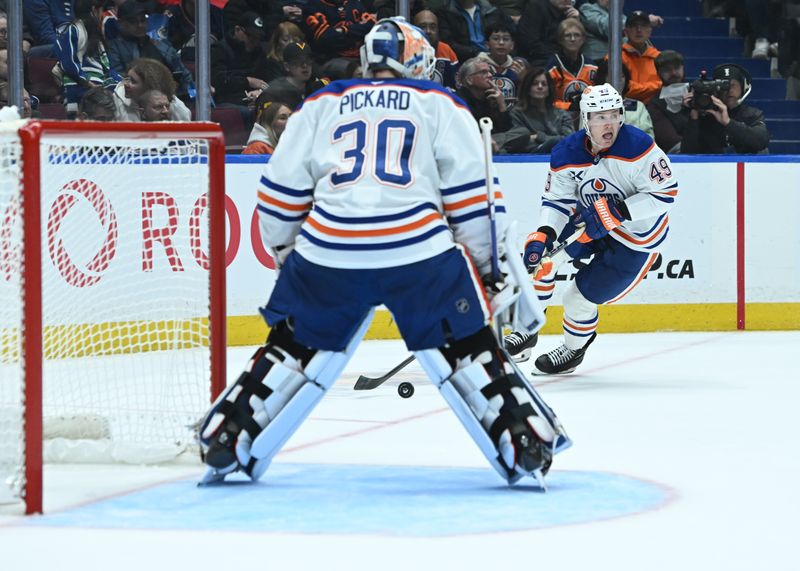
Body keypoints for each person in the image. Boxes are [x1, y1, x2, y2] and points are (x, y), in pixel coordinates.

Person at [197, 17, 568, 489]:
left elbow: (277, 197)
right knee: (470, 346)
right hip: (419, 253)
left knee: (290, 347)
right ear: (416, 61)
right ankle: (523, 436)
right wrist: (489, 271)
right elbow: (474, 204)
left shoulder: (320, 103)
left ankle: (228, 431)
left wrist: (291, 258)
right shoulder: (440, 103)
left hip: (329, 250)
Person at [503, 84, 677, 373]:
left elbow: (666, 194)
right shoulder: (566, 153)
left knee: (578, 297)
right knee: (541, 262)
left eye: (613, 114)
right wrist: (545, 233)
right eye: (598, 116)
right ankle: (527, 329)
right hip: (590, 219)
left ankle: (573, 351)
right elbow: (557, 201)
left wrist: (620, 211)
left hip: (636, 239)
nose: (608, 123)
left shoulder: (639, 147)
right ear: (585, 120)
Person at [106, 0, 194, 99]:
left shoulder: (161, 44)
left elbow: (183, 73)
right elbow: (118, 78)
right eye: (133, 22)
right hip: (135, 99)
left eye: (142, 20)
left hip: (172, 96)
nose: (140, 25)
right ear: (121, 23)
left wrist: (194, 91)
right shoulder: (114, 47)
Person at [681, 62, 770, 154]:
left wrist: (728, 122)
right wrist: (694, 118)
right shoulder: (705, 117)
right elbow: (686, 154)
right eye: (724, 86)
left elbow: (761, 141)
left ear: (743, 87)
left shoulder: (753, 114)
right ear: (715, 89)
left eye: (733, 85)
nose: (729, 90)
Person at [53, 0, 121, 118]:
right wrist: (87, 82)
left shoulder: (96, 35)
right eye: (100, 11)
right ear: (93, 10)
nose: (102, 15)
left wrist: (120, 81)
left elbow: (106, 66)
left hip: (98, 86)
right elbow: (68, 62)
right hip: (78, 86)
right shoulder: (73, 30)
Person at [504, 66, 574, 154]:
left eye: (544, 84)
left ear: (549, 90)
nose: (540, 87)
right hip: (527, 159)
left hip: (560, 157)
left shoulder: (562, 114)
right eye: (535, 83)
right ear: (528, 88)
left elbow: (569, 141)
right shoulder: (517, 113)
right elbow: (517, 143)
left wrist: (538, 137)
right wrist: (552, 140)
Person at [112, 58, 191, 121]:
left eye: (133, 81)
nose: (126, 84)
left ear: (149, 86)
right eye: (127, 79)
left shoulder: (173, 105)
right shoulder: (115, 102)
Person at [594, 58, 654, 139]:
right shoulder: (591, 106)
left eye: (621, 76)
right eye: (612, 76)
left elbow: (649, 137)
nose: (617, 81)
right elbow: (585, 138)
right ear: (603, 79)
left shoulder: (638, 106)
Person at [436, 0, 511, 63]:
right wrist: (476, 53)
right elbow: (449, 44)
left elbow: (512, 36)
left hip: (496, 56)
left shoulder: (492, 9)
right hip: (465, 60)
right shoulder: (445, 13)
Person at [547, 18, 596, 111]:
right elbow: (547, 102)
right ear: (560, 40)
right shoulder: (552, 67)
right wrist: (569, 106)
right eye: (567, 35)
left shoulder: (592, 67)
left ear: (583, 39)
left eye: (577, 35)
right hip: (559, 119)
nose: (572, 39)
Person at [262, 41, 329, 109]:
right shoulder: (273, 93)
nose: (305, 65)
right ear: (287, 66)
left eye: (308, 60)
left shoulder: (319, 88)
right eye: (298, 61)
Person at [647, 50, 691, 153]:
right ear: (658, 73)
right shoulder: (655, 105)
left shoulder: (699, 94)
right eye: (667, 70)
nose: (674, 73)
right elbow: (671, 142)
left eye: (677, 68)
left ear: (683, 68)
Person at [456, 57, 511, 138]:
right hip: (472, 142)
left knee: (521, 132)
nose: (490, 75)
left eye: (490, 71)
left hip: (495, 142)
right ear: (469, 80)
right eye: (483, 72)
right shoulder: (458, 101)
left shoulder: (491, 97)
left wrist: (502, 104)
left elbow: (506, 129)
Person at [516, 0, 580, 69]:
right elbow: (530, 42)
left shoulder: (571, 12)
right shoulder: (536, 7)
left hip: (565, 60)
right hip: (539, 60)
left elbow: (579, 45)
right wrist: (559, 57)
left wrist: (576, 22)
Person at [476, 21, 526, 107]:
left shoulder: (519, 67)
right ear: (487, 44)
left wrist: (524, 80)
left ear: (512, 45)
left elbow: (525, 98)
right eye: (496, 38)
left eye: (506, 39)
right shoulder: (477, 65)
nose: (501, 43)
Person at [619, 10, 661, 103]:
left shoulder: (659, 57)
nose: (639, 30)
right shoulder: (615, 58)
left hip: (655, 110)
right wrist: (658, 86)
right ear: (626, 31)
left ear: (649, 31)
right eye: (634, 25)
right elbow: (621, 88)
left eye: (643, 25)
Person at [413, 9, 459, 89]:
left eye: (433, 27)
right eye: (423, 27)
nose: (428, 31)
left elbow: (455, 85)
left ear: (438, 30)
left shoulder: (446, 50)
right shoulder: (405, 51)